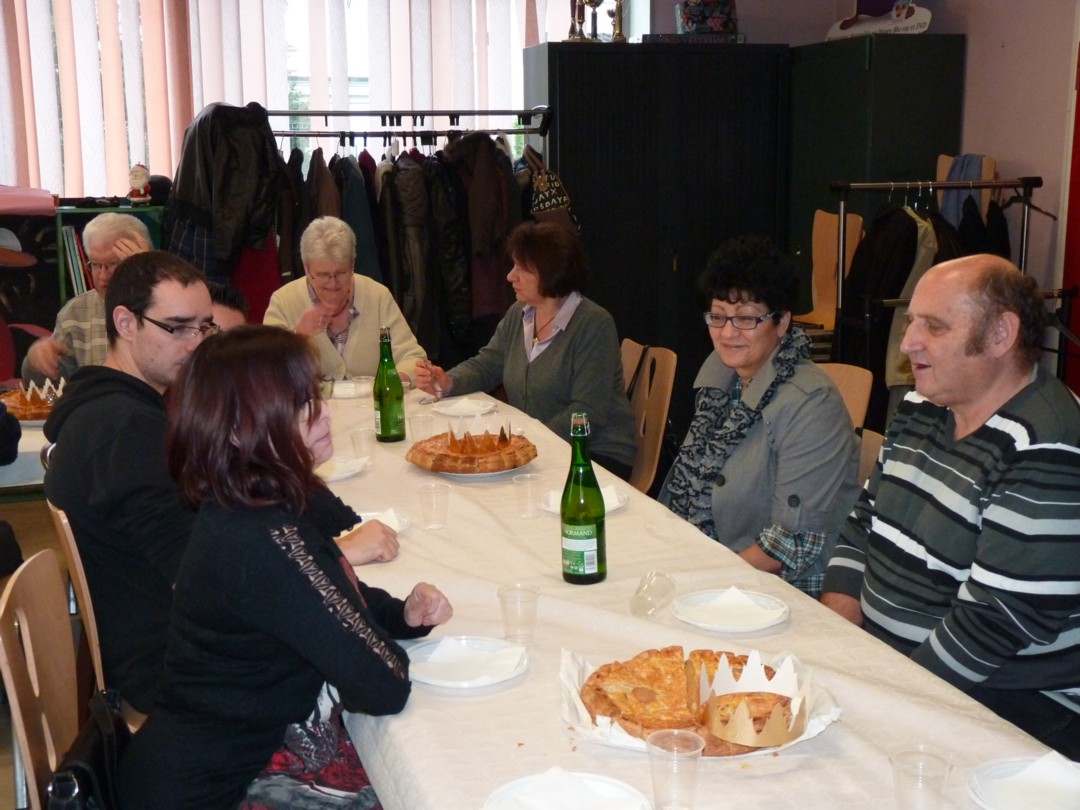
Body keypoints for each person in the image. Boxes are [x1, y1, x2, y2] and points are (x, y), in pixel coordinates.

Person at [44, 253, 401, 718]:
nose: (197, 345)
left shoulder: (128, 409)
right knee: (373, 666)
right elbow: (203, 569)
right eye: (178, 328)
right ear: (126, 323)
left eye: (204, 327)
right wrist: (330, 554)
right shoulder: (124, 431)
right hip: (176, 671)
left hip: (169, 640)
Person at [119, 325, 453, 809]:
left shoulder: (257, 500)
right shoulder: (263, 538)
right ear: (239, 430)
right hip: (221, 789)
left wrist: (400, 615)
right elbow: (383, 684)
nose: (325, 413)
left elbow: (325, 594)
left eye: (315, 394)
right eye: (300, 405)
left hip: (227, 759)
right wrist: (379, 633)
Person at [821, 255, 1080, 758]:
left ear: (1001, 334)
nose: (908, 343)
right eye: (912, 321)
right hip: (902, 667)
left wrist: (882, 698)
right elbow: (864, 521)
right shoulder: (923, 404)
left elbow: (995, 623)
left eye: (934, 327)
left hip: (1014, 702)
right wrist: (840, 640)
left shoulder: (1048, 445)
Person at [659, 236, 859, 598]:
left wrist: (702, 579)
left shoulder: (813, 404)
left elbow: (790, 543)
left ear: (782, 322)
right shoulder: (722, 379)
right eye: (718, 316)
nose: (727, 333)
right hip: (720, 563)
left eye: (746, 318)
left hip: (784, 591)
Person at [415, 221, 637, 478]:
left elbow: (587, 412)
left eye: (522, 268)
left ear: (551, 271)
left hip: (594, 453)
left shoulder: (593, 324)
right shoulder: (519, 313)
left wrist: (526, 442)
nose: (510, 276)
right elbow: (488, 364)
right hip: (543, 446)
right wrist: (448, 381)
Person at [264, 216, 426, 383]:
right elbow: (264, 372)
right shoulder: (283, 301)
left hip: (370, 399)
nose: (333, 283)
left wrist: (390, 382)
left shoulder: (377, 295)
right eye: (323, 275)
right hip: (312, 400)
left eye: (341, 273)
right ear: (306, 268)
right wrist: (298, 337)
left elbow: (412, 357)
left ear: (352, 264)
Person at [22, 212, 151, 384]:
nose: (103, 277)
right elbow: (53, 384)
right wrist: (37, 363)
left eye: (114, 264)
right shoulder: (76, 311)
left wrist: (150, 275)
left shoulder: (164, 307)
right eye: (96, 264)